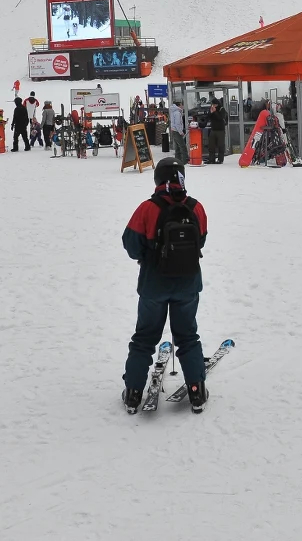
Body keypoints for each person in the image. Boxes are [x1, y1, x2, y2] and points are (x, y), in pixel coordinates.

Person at [121, 157, 209, 413]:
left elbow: (131, 244)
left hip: (154, 284)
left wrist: (148, 255)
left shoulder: (148, 208)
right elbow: (200, 241)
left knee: (144, 339)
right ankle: (197, 390)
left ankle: (134, 391)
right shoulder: (196, 207)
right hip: (188, 283)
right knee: (188, 337)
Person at [168, 99, 188, 165]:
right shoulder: (177, 113)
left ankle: (177, 160)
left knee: (177, 148)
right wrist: (180, 132)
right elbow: (177, 123)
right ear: (179, 105)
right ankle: (185, 161)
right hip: (177, 131)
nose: (183, 106)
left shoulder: (173, 112)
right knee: (183, 146)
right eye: (182, 105)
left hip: (174, 131)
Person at [208, 98, 228, 164]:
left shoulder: (221, 109)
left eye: (214, 104)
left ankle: (220, 159)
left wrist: (215, 112)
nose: (213, 106)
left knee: (220, 145)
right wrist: (211, 113)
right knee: (211, 145)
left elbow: (221, 117)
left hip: (220, 130)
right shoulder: (211, 109)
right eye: (212, 104)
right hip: (213, 129)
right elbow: (208, 117)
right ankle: (211, 159)